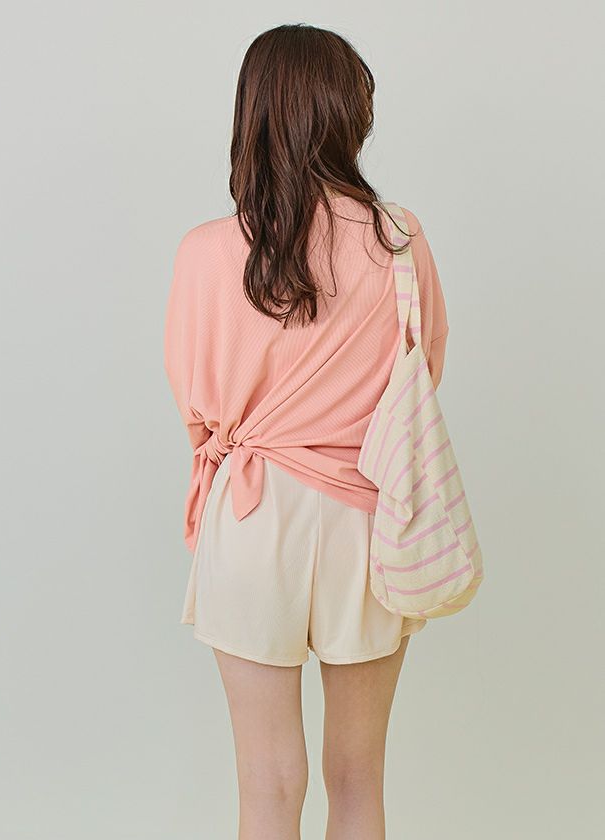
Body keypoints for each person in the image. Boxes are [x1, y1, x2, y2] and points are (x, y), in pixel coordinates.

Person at [163, 23, 450, 840]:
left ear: (252, 114)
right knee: (358, 781)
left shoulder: (206, 252)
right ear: (345, 114)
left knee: (268, 783)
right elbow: (424, 373)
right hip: (370, 515)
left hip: (253, 516)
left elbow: (197, 403)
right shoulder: (401, 240)